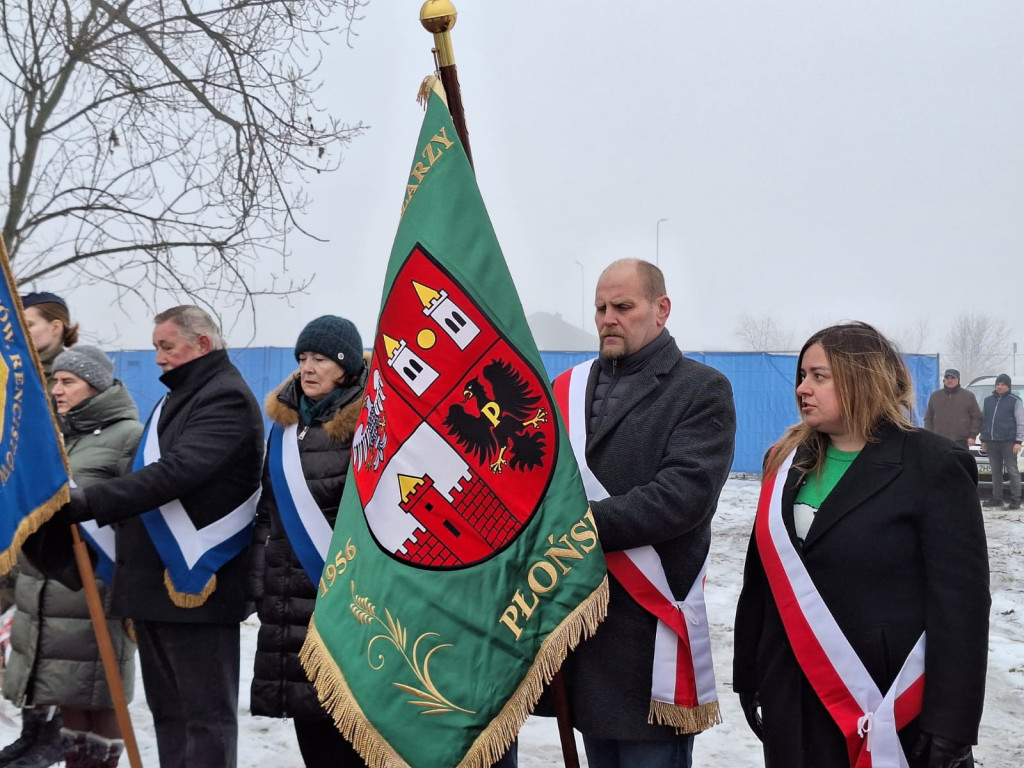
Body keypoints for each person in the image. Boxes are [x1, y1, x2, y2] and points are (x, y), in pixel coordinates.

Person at [733, 322, 990, 768]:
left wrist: (952, 722)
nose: (802, 389)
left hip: (884, 701)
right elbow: (760, 579)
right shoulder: (784, 460)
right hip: (790, 693)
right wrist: (749, 674)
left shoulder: (935, 465)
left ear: (861, 379)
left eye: (819, 376)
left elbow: (960, 606)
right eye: (802, 376)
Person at [61, 306, 264, 768]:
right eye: (156, 347)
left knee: (204, 719)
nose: (157, 358)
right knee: (170, 715)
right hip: (157, 586)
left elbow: (177, 473)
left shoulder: (225, 397)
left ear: (202, 344)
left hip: (196, 585)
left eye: (165, 346)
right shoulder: (183, 395)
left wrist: (89, 502)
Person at [552, 258, 737, 768]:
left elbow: (680, 496)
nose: (608, 318)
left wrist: (570, 527)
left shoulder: (701, 388)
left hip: (647, 637)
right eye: (600, 308)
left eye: (623, 307)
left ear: (661, 309)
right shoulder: (568, 389)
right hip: (582, 631)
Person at [7, 347, 142, 768]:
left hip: (96, 591)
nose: (57, 389)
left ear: (96, 385)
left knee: (101, 700)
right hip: (51, 590)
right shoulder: (57, 435)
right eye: (55, 380)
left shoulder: (129, 437)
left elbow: (136, 509)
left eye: (68, 382)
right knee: (68, 698)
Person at [248, 316, 368, 767]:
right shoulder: (283, 430)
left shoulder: (370, 426)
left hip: (349, 604)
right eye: (302, 358)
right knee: (312, 734)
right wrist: (258, 588)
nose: (307, 368)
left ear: (346, 366)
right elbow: (267, 513)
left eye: (320, 358)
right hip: (287, 602)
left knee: (355, 739)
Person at [0, 292, 79, 768]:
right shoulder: (15, 374)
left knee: (61, 638)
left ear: (57, 326)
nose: (22, 333)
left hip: (55, 521)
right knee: (30, 629)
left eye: (31, 324)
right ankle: (34, 730)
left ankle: (55, 732)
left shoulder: (69, 376)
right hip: (20, 515)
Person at [980, 372, 1023, 510]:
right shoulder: (988, 401)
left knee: (1012, 470)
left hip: (1008, 441)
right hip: (992, 441)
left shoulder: (1015, 401)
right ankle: (996, 498)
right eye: (998, 384)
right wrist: (984, 439)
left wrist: (1018, 441)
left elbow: (1020, 422)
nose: (999, 387)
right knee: (995, 471)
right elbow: (984, 421)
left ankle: (1015, 498)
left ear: (1008, 386)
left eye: (1003, 384)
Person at [21, 292, 79, 393]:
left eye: (28, 325)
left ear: (55, 327)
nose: (20, 331)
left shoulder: (76, 375)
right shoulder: (8, 371)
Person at [924, 368, 982, 448]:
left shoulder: (968, 396)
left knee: (960, 461)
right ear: (944, 380)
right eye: (947, 378)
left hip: (961, 441)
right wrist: (929, 435)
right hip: (939, 440)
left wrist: (972, 435)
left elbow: (976, 417)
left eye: (952, 378)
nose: (949, 380)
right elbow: (928, 418)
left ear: (958, 380)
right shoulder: (935, 396)